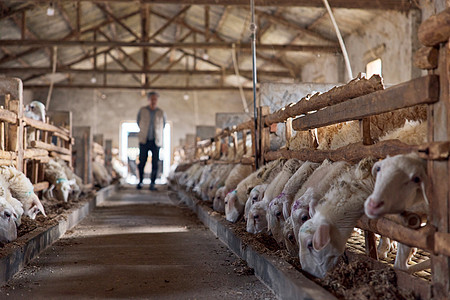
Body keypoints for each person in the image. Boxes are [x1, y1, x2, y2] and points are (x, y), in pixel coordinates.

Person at [136, 91, 166, 190]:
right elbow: (138, 122)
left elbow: (163, 125)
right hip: (144, 140)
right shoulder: (142, 110)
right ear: (148, 100)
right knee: (142, 161)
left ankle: (152, 184)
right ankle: (140, 182)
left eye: (155, 99)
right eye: (152, 99)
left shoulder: (161, 112)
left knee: (155, 162)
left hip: (156, 141)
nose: (153, 101)